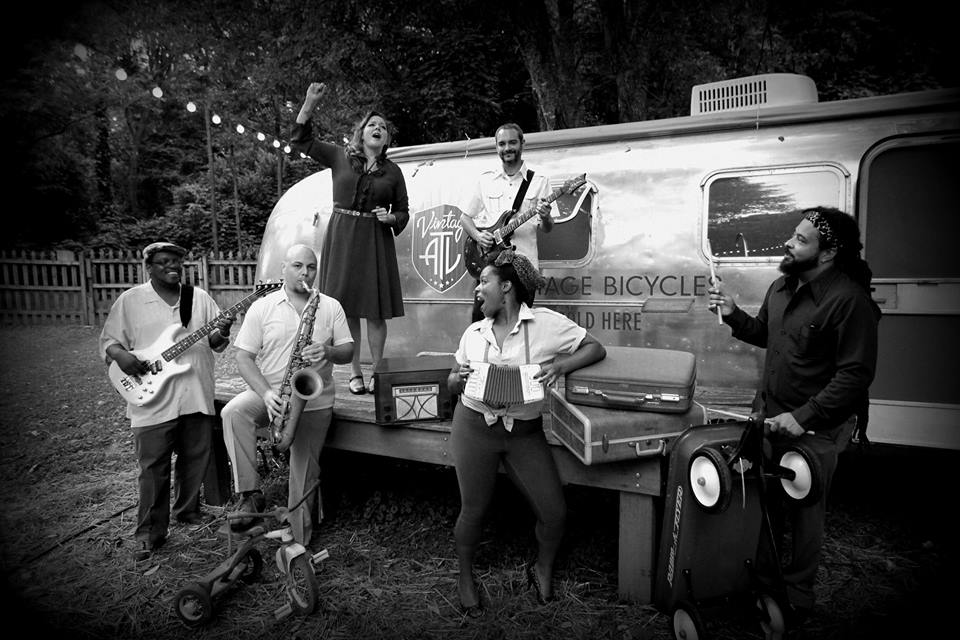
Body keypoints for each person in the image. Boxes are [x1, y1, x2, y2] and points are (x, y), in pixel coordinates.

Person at [708, 206, 880, 624]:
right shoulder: (781, 288)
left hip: (818, 426)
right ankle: (764, 586)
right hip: (770, 416)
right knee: (765, 502)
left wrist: (804, 416)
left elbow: (855, 374)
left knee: (805, 509)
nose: (789, 242)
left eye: (801, 239)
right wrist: (733, 313)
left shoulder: (849, 301)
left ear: (828, 253)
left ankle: (797, 597)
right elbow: (767, 335)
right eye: (793, 234)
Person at [446, 250, 605, 616]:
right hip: (474, 426)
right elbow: (452, 381)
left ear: (506, 287)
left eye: (483, 281)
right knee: (473, 510)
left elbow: (595, 347)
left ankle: (542, 569)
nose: (477, 289)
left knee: (555, 512)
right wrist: (457, 379)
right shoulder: (474, 332)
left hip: (524, 432)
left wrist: (561, 366)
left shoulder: (546, 324)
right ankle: (465, 576)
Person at [99, 241, 234, 562]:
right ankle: (149, 532)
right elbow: (109, 342)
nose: (172, 266)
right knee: (152, 466)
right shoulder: (131, 301)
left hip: (195, 393)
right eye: (163, 261)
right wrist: (122, 357)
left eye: (176, 261)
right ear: (149, 267)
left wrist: (223, 330)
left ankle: (187, 511)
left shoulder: (199, 298)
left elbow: (215, 343)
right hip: (151, 399)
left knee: (194, 459)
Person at [221, 243, 353, 547]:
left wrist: (328, 351)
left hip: (313, 397)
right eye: (297, 266)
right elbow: (243, 358)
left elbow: (348, 351)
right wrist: (266, 394)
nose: (305, 273)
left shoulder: (329, 306)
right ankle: (250, 494)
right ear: (283, 268)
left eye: (311, 267)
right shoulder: (263, 306)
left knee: (303, 471)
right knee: (233, 413)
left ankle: (299, 538)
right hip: (272, 393)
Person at [291, 82, 409, 396]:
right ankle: (355, 371)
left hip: (375, 240)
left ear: (386, 138)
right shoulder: (339, 157)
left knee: (376, 312)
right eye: (372, 125)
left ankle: (377, 373)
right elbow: (301, 140)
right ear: (361, 132)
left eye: (383, 127)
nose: (378, 128)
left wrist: (391, 219)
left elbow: (403, 211)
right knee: (347, 310)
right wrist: (309, 103)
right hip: (343, 238)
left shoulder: (393, 172)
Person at [460, 122, 555, 322]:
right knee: (482, 322)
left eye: (512, 142)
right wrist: (478, 236)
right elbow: (464, 218)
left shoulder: (539, 181)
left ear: (522, 144)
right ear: (496, 147)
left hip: (524, 266)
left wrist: (546, 216)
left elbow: (546, 228)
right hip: (490, 265)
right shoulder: (485, 180)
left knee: (520, 323)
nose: (507, 148)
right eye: (502, 144)